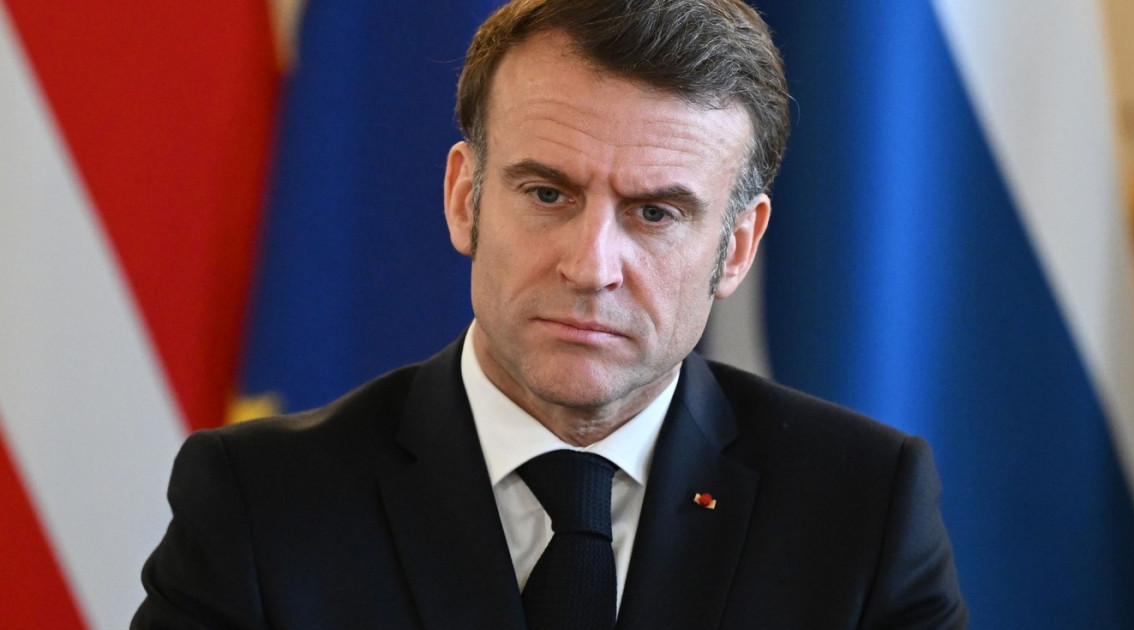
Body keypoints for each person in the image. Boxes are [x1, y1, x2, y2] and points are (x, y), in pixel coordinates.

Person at [134, 0, 968, 628]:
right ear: (464, 198)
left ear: (737, 247)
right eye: (546, 193)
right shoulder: (261, 504)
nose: (591, 266)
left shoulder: (862, 511)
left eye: (656, 213)